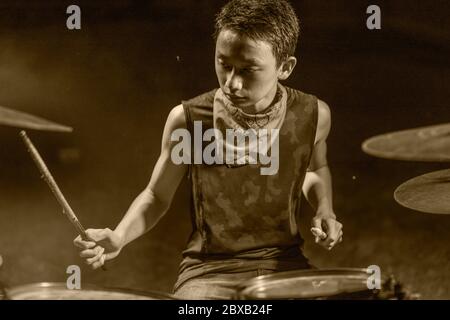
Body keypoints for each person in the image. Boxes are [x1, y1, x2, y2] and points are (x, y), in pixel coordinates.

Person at [74, 0, 343, 300]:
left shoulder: (313, 115)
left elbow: (313, 168)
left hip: (283, 265)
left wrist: (324, 208)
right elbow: (156, 195)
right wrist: (120, 236)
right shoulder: (188, 121)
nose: (232, 83)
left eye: (247, 70)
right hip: (208, 270)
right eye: (223, 64)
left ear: (285, 67)